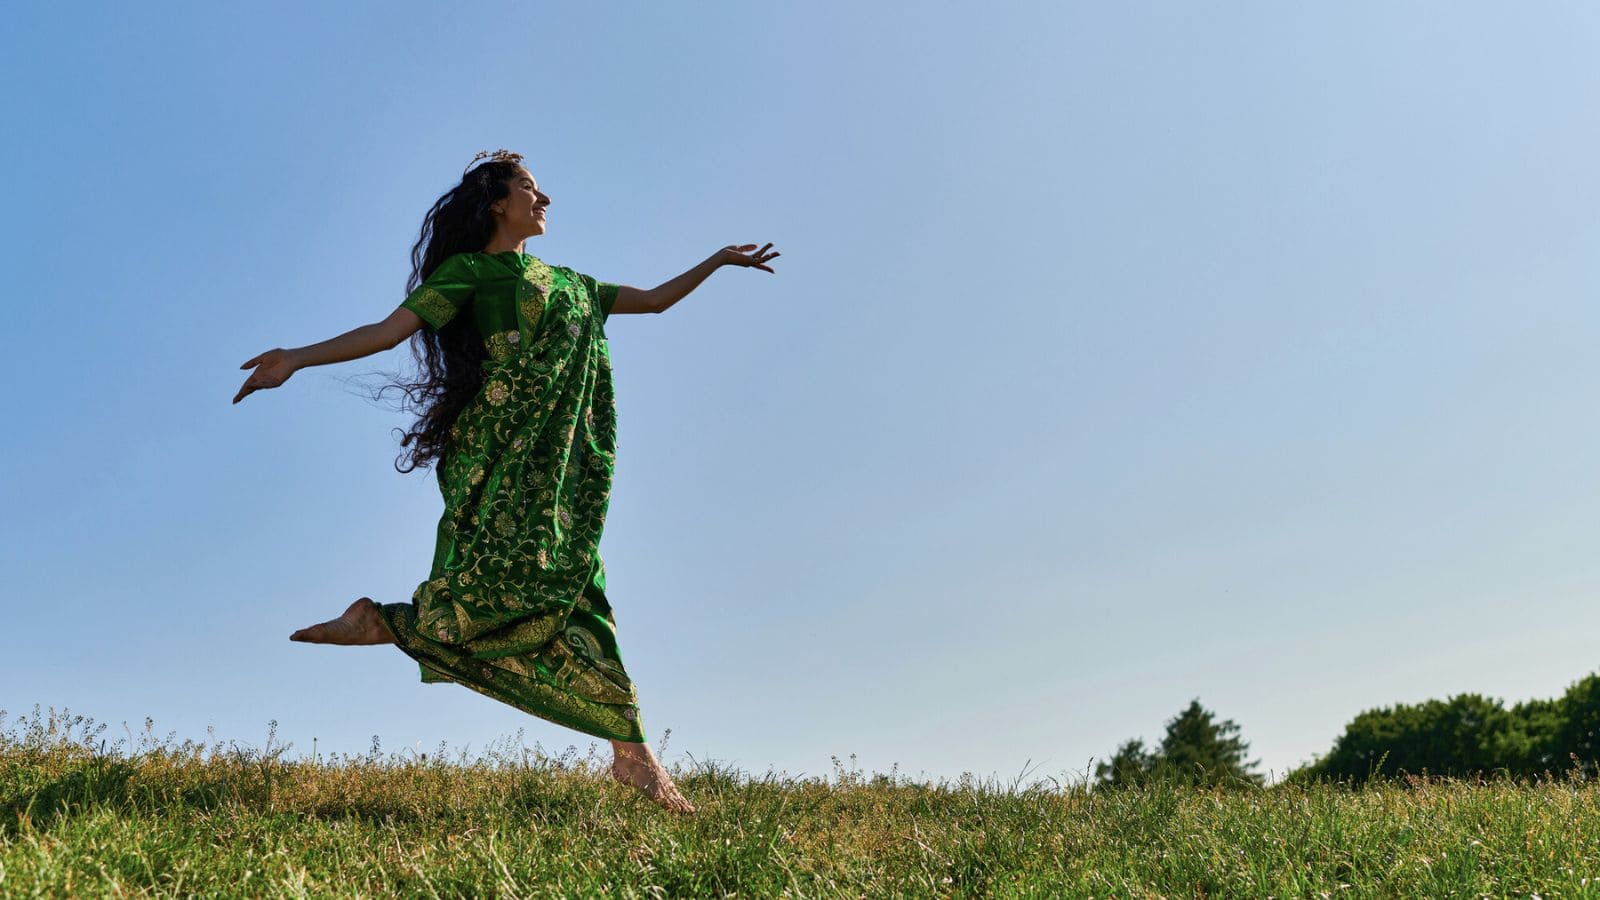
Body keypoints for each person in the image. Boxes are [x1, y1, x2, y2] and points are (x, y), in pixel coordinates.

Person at [233, 149, 779, 814]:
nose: (544, 200)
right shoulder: (468, 274)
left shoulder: (574, 285)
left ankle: (631, 758)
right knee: (520, 586)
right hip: (499, 460)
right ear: (498, 203)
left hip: (556, 474)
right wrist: (295, 357)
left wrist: (718, 259)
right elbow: (386, 332)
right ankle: (393, 627)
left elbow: (657, 302)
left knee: (579, 588)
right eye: (530, 188)